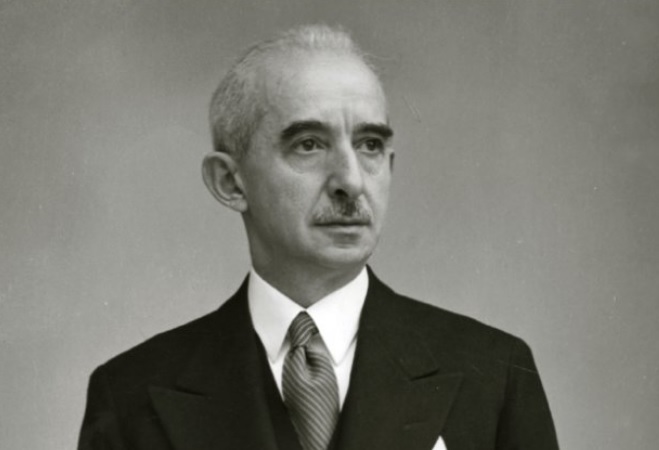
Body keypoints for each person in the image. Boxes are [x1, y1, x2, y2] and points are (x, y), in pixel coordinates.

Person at [78, 24, 559, 450]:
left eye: (370, 145)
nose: (351, 180)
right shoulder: (130, 395)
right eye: (308, 144)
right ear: (230, 182)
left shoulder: (493, 374)